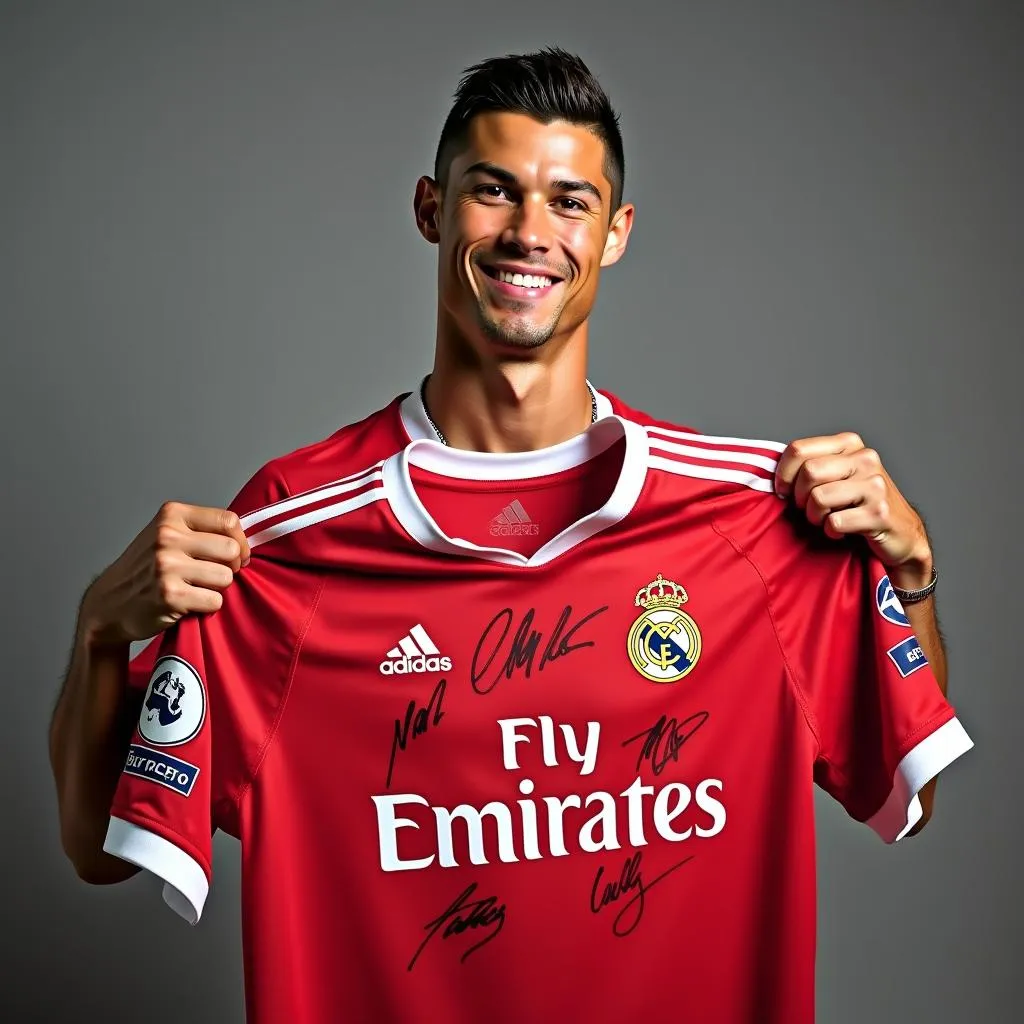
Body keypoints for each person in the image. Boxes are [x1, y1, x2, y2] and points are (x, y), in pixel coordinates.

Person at [49, 48, 972, 1024]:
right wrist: (99, 636)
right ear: (430, 209)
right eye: (494, 191)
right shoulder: (287, 538)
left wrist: (910, 577)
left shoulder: (754, 524)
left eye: (569, 201)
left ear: (613, 234)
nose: (530, 232)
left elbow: (905, 784)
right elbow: (100, 847)